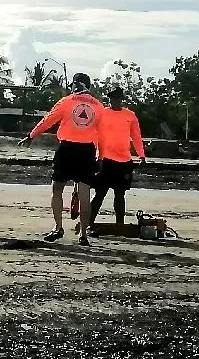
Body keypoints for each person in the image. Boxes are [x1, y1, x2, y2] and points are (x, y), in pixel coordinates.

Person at [19, 73, 104, 246]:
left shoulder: (67, 101)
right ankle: (83, 235)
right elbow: (103, 135)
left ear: (74, 85)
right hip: (87, 151)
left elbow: (48, 120)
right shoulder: (99, 107)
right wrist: (100, 156)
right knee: (84, 194)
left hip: (67, 149)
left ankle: (58, 227)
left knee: (57, 189)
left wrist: (31, 135)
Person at [89, 87, 146, 228]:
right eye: (112, 99)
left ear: (121, 100)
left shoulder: (130, 115)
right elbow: (92, 133)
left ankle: (120, 224)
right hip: (105, 160)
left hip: (124, 161)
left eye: (117, 99)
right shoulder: (102, 114)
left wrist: (141, 155)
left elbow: (136, 137)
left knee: (120, 195)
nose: (114, 101)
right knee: (100, 193)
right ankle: (88, 222)